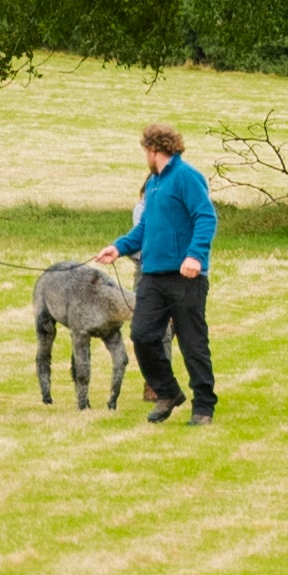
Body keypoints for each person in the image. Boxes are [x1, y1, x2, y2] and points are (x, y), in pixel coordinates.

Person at [104, 123, 218, 426]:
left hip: (186, 277)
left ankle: (203, 406)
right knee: (142, 334)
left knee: (193, 342)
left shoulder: (186, 177)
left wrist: (195, 255)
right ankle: (167, 391)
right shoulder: (153, 185)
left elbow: (206, 216)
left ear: (153, 150)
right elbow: (145, 229)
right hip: (153, 276)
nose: (145, 156)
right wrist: (118, 247)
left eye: (145, 151)